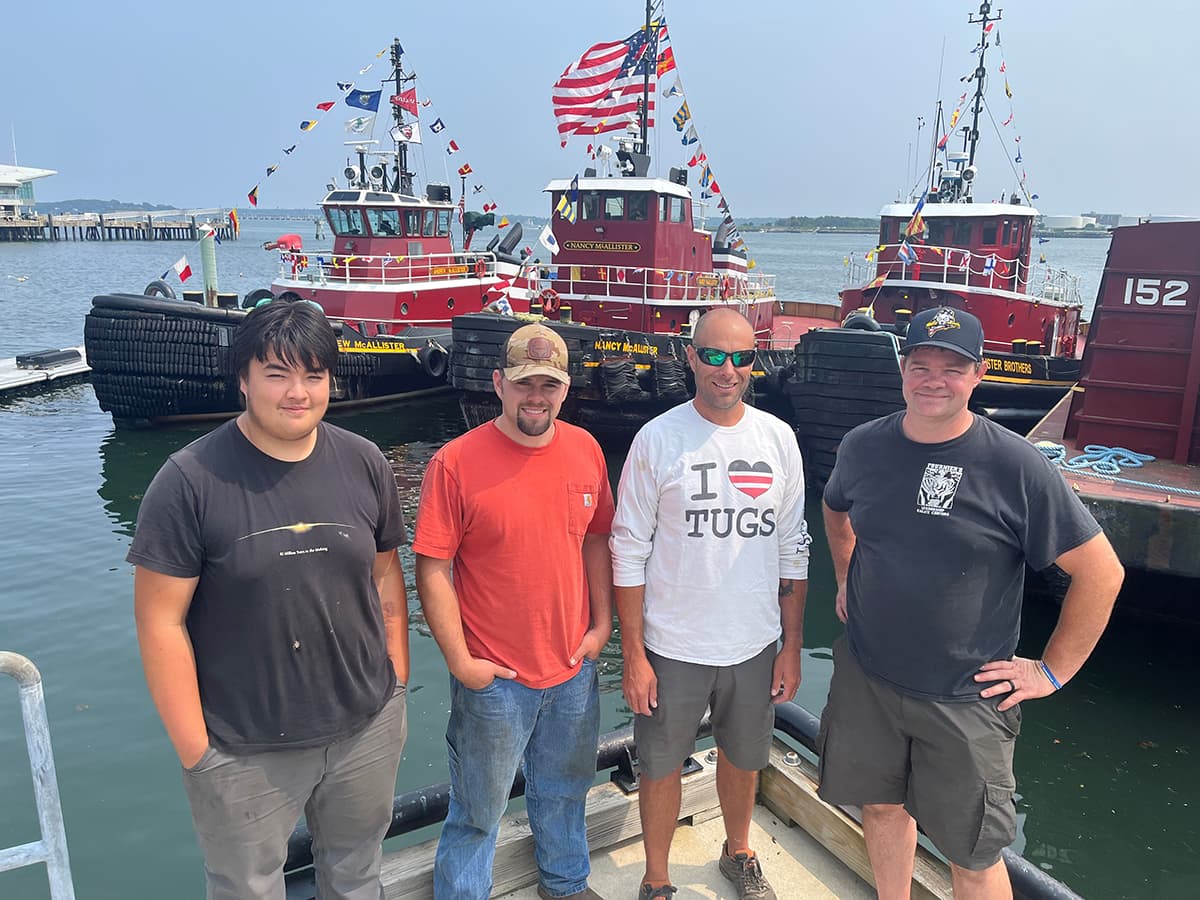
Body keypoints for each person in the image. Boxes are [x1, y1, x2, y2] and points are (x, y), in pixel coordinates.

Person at [819, 306, 1124, 899]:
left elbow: (1101, 574)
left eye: (952, 368)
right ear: (902, 369)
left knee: (973, 855)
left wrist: (1051, 671)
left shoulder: (1015, 464)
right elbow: (836, 511)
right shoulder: (863, 446)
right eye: (921, 365)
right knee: (880, 809)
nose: (934, 380)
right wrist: (845, 577)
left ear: (978, 374)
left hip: (965, 697)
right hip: (868, 677)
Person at [129, 298, 409, 900]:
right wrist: (197, 751)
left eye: (314, 375)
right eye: (277, 374)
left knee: (358, 874)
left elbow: (386, 576)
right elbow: (158, 622)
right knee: (247, 889)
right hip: (242, 746)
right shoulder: (188, 481)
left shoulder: (365, 463)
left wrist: (397, 683)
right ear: (243, 378)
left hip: (366, 725)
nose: (297, 393)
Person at [610, 308, 811, 900]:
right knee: (660, 764)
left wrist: (791, 645)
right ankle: (657, 878)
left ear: (755, 362)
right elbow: (627, 550)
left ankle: (738, 850)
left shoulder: (779, 439)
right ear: (691, 357)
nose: (728, 370)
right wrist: (633, 655)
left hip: (754, 642)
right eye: (715, 355)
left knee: (745, 757)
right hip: (673, 645)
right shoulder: (657, 439)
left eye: (742, 357)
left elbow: (793, 547)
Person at [413, 323, 614, 900]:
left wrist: (602, 625)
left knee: (567, 789)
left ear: (566, 389)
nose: (536, 397)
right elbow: (433, 568)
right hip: (494, 678)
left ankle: (566, 884)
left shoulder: (586, 449)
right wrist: (461, 662)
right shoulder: (455, 463)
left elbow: (596, 538)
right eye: (524, 383)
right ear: (499, 383)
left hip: (572, 668)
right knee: (478, 809)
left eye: (549, 385)